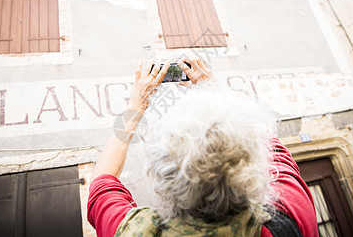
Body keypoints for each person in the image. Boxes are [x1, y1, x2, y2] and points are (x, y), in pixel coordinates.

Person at [87, 58, 318, 237]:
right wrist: (211, 89)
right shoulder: (292, 211)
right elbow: (264, 143)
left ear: (163, 178)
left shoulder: (132, 230)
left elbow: (102, 180)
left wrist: (137, 103)